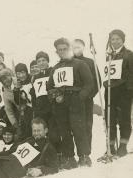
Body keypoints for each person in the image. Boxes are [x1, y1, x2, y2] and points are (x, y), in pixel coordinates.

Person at [47, 38, 94, 168]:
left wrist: (80, 97)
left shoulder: (79, 64)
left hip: (75, 99)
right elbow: (49, 87)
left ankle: (84, 156)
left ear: (69, 49)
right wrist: (55, 96)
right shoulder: (55, 68)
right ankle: (69, 157)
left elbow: (89, 83)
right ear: (56, 52)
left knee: (79, 128)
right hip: (60, 102)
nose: (62, 52)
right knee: (64, 130)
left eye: (64, 49)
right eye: (59, 50)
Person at [103, 29, 133, 156]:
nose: (115, 41)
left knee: (124, 118)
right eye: (112, 39)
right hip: (110, 90)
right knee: (110, 118)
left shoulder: (129, 54)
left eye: (117, 39)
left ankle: (123, 146)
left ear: (122, 40)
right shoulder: (109, 55)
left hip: (124, 91)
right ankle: (111, 146)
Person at [72, 39, 101, 154]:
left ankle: (86, 153)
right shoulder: (69, 63)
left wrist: (89, 95)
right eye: (74, 47)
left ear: (83, 48)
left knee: (87, 126)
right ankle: (78, 151)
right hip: (73, 101)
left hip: (87, 100)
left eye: (78, 47)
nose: (76, 49)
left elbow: (97, 81)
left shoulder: (90, 62)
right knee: (76, 127)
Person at [13, 64, 35, 141]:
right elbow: (17, 101)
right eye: (18, 74)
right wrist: (16, 90)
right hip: (26, 111)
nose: (21, 75)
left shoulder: (32, 80)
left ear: (26, 72)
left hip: (35, 108)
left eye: (23, 72)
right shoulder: (18, 85)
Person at [32, 51, 52, 124]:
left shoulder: (52, 72)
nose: (41, 63)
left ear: (48, 61)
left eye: (43, 60)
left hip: (52, 108)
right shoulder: (35, 77)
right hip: (40, 109)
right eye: (39, 61)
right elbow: (33, 96)